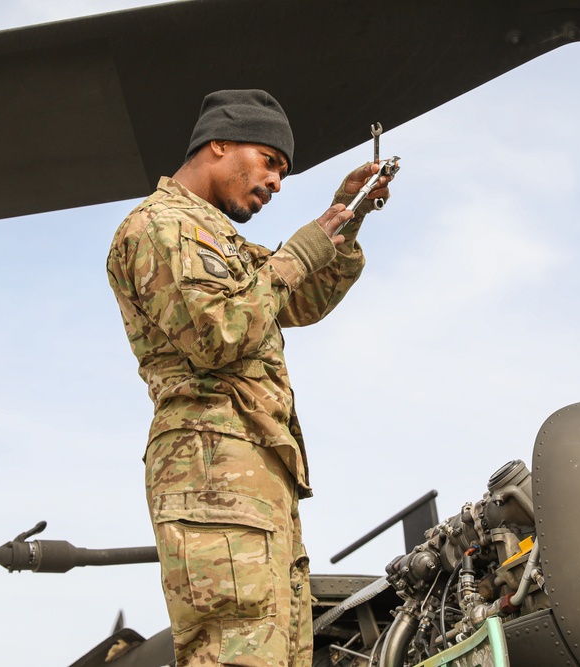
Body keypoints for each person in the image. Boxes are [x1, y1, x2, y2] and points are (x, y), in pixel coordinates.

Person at [106, 89, 393, 667]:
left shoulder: (218, 239)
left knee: (278, 653)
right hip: (212, 467)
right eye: (270, 162)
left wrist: (347, 219)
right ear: (219, 144)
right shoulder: (160, 225)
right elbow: (218, 334)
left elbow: (303, 299)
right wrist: (301, 250)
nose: (277, 183)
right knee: (234, 653)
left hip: (255, 470)